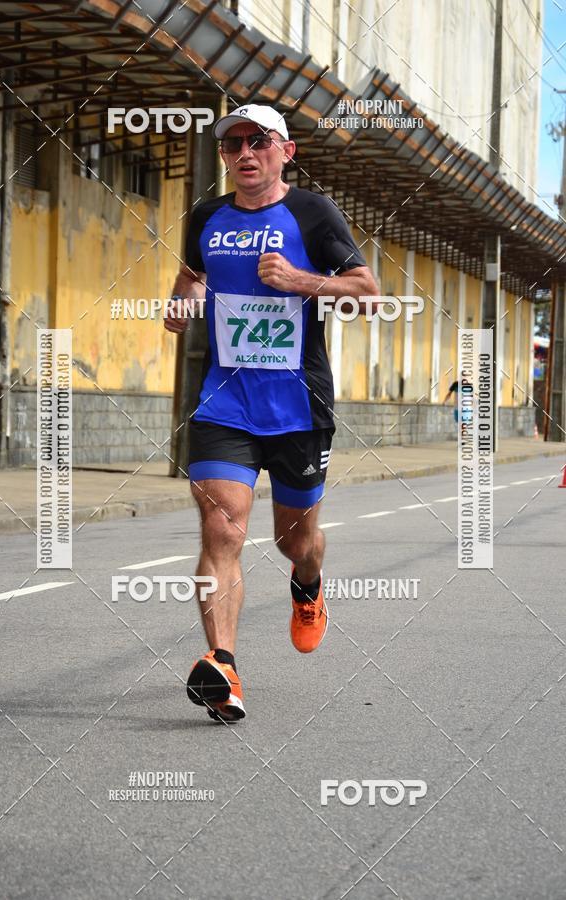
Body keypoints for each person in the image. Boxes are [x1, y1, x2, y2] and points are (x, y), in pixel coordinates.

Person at [164, 104, 379, 722]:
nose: (244, 153)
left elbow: (368, 294)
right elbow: (190, 277)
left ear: (286, 151)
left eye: (258, 141)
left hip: (298, 404)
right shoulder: (207, 216)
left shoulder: (312, 213)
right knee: (222, 526)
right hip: (223, 400)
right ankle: (223, 665)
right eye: (233, 144)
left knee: (295, 540)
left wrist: (300, 280)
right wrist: (183, 303)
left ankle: (307, 588)